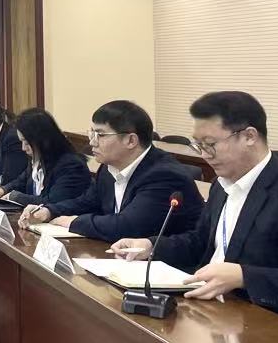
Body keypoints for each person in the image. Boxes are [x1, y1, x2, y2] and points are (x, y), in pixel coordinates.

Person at [111, 91, 278, 331]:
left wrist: (242, 276)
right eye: (198, 145)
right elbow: (200, 242)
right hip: (211, 312)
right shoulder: (221, 185)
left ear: (249, 136)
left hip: (265, 324)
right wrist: (150, 246)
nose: (204, 155)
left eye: (210, 144)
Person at [18, 99, 203, 241]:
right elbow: (87, 202)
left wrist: (71, 222)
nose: (92, 142)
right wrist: (49, 211)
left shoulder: (163, 175)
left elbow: (128, 226)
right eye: (91, 133)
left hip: (169, 269)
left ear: (131, 140)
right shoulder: (108, 169)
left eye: (100, 135)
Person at [0, 107, 91, 206]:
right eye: (21, 142)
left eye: (27, 142)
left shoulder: (71, 166)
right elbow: (21, 181)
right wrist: (4, 189)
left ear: (42, 140)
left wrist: (16, 197)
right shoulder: (38, 158)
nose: (23, 148)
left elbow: (52, 202)